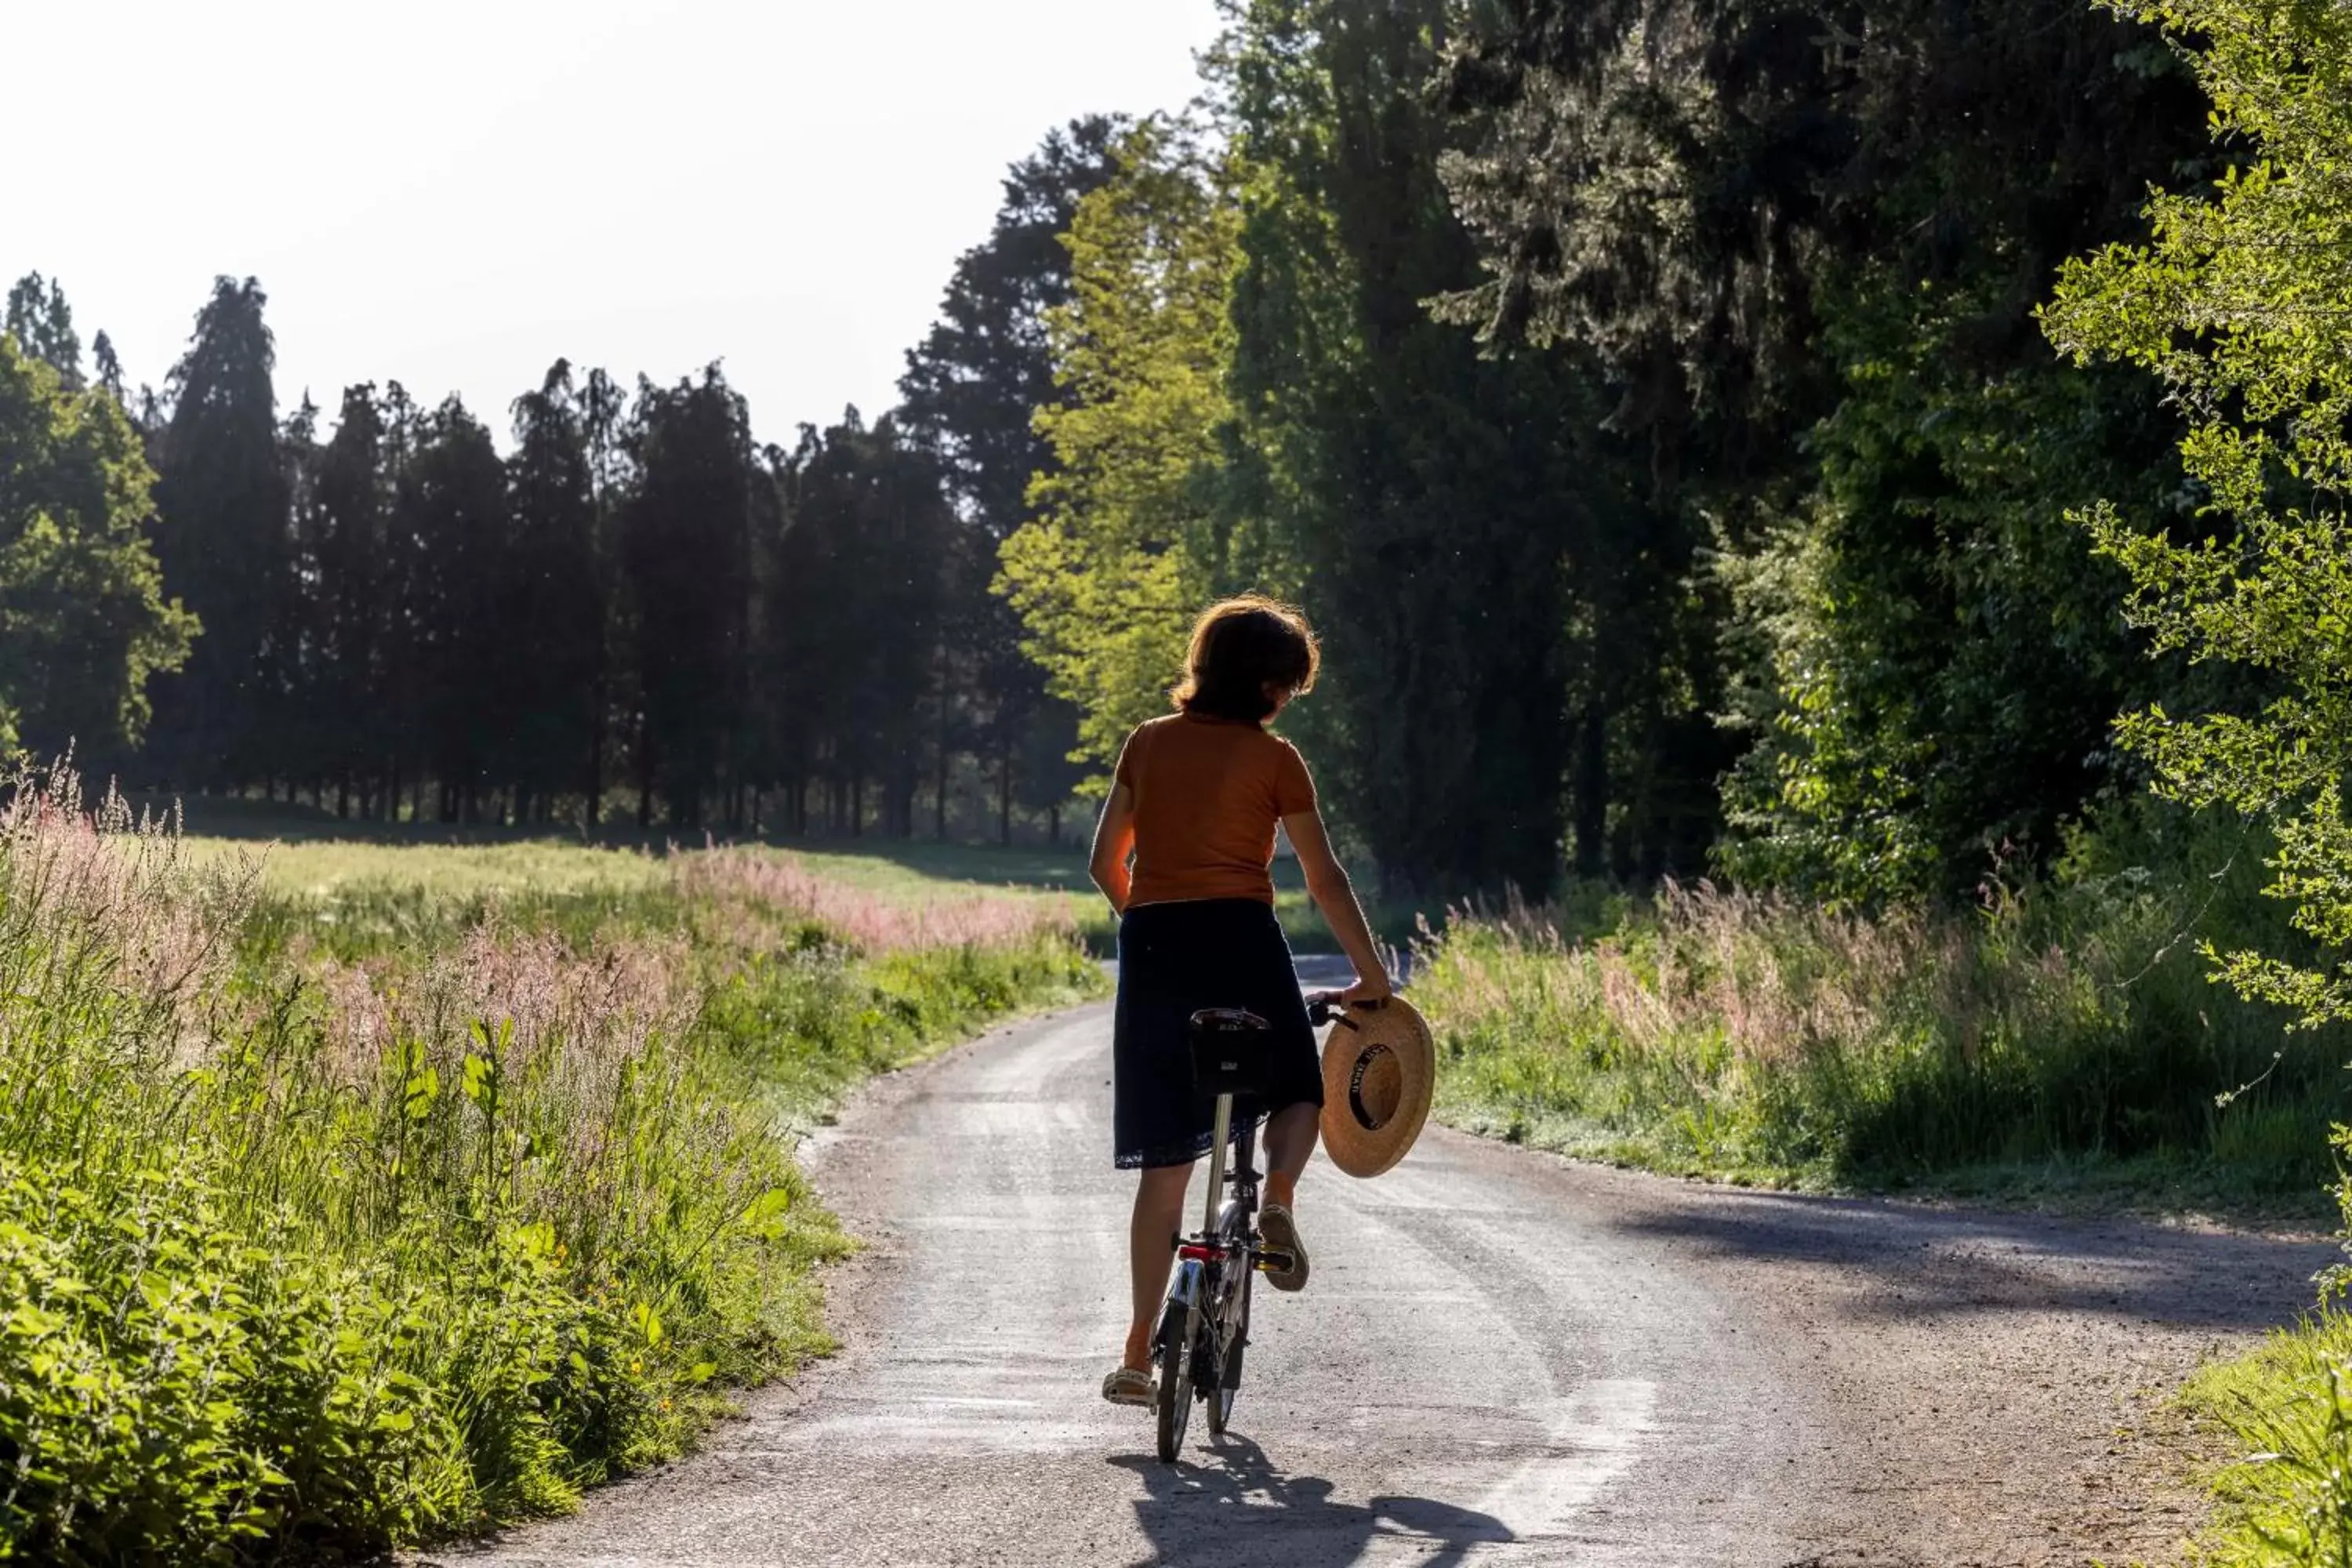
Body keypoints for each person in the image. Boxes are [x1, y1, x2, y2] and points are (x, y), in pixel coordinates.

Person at [1090, 594, 1392, 1407]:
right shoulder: (1277, 760)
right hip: (1242, 936)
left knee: (1165, 1164)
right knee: (1298, 1081)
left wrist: (1150, 925)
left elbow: (1103, 861)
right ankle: (1280, 1201)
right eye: (1287, 683)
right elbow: (1323, 877)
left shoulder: (1147, 744)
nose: (1288, 697)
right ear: (1264, 683)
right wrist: (1372, 975)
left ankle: (1134, 1351)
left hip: (1154, 945)